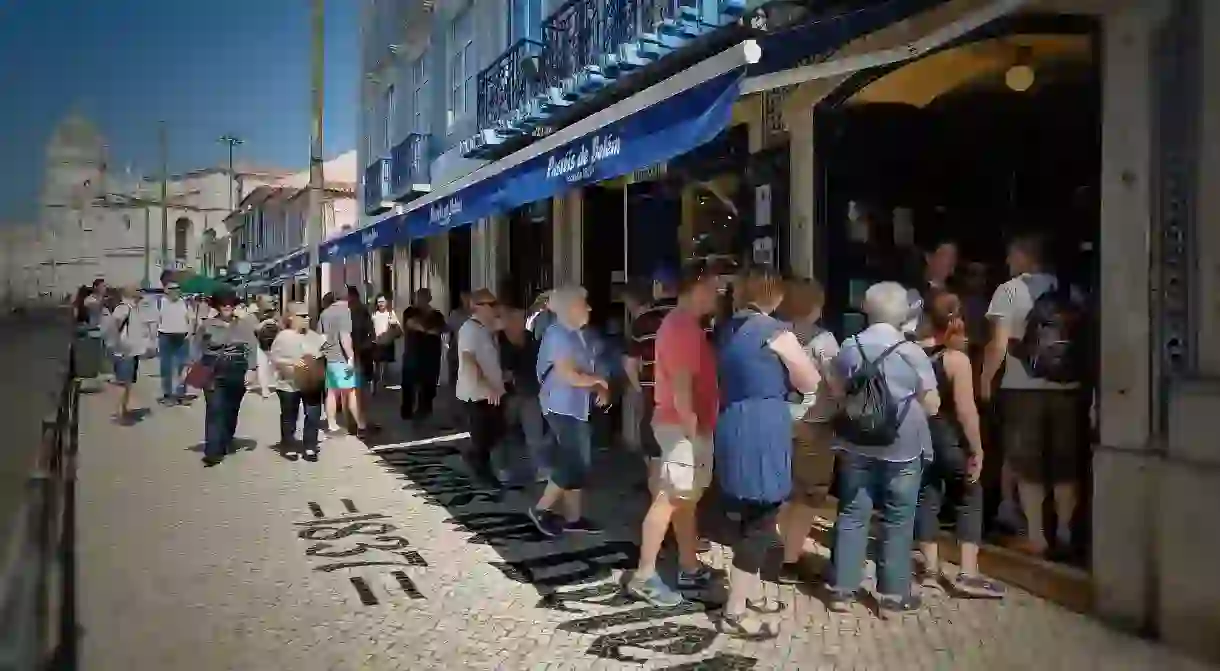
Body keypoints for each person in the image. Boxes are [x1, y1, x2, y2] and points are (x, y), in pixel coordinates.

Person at [711, 268, 820, 639]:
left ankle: (751, 592)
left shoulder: (725, 330)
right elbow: (810, 380)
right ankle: (735, 610)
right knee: (761, 518)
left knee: (747, 512)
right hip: (763, 424)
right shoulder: (775, 332)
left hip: (731, 419)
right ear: (774, 296)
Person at [827, 281, 941, 617]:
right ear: (903, 314)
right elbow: (932, 404)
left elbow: (836, 390)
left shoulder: (850, 346)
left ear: (867, 310)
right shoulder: (911, 352)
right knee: (898, 518)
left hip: (856, 442)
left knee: (852, 512)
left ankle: (842, 591)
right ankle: (893, 596)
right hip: (903, 445)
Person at [980, 234, 1085, 558]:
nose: (1009, 263)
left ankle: (1037, 536)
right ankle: (1066, 533)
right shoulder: (1072, 292)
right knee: (1065, 464)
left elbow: (998, 344)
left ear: (1025, 257)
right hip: (1068, 388)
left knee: (1028, 465)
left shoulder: (1009, 291)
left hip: (1023, 387)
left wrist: (985, 379)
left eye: (1012, 256)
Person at [626, 265, 720, 608]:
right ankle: (644, 575)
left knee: (684, 497)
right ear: (696, 287)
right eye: (712, 287)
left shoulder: (684, 324)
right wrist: (692, 424)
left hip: (679, 424)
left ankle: (688, 565)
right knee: (669, 495)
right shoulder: (681, 326)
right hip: (680, 426)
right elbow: (681, 382)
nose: (717, 294)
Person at [914, 290, 1006, 598]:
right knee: (970, 494)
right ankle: (967, 571)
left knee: (927, 495)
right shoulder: (956, 359)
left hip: (919, 436)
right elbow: (966, 410)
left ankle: (929, 568)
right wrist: (978, 449)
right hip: (949, 437)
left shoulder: (913, 352)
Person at [528, 286, 611, 537]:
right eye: (583, 303)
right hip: (561, 405)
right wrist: (599, 382)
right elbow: (569, 374)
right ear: (568, 308)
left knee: (577, 462)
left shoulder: (576, 333)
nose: (589, 308)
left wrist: (598, 385)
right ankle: (541, 509)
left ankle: (573, 519)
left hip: (576, 406)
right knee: (575, 462)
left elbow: (587, 368)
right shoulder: (558, 335)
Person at [775, 278, 842, 585]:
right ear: (815, 307)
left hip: (779, 421)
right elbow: (836, 383)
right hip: (814, 425)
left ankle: (779, 546)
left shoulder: (776, 333)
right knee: (807, 495)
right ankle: (790, 560)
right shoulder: (824, 341)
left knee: (784, 492)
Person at [194, 289, 259, 466]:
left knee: (231, 409)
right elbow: (196, 346)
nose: (227, 307)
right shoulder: (207, 325)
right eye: (223, 304)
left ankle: (226, 438)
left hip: (236, 369)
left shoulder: (244, 325)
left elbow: (252, 348)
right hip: (212, 371)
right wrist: (190, 366)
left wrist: (252, 370)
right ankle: (213, 451)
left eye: (230, 304)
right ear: (217, 306)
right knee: (214, 409)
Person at [455, 288, 506, 488]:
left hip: (492, 392)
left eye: (496, 303)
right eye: (491, 304)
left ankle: (472, 456)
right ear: (477, 307)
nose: (496, 308)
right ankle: (484, 475)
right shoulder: (469, 330)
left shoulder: (485, 328)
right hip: (477, 395)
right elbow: (468, 360)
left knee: (497, 431)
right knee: (484, 438)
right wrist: (486, 387)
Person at [497, 306, 550, 484]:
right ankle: (503, 468)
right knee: (503, 434)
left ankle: (540, 468)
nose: (517, 324)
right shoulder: (499, 341)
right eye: (514, 320)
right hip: (506, 395)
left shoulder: (531, 341)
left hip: (529, 393)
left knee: (534, 434)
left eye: (520, 320)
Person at [269, 303, 327, 461]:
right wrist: (291, 362)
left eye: (308, 315)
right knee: (289, 416)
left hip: (311, 382)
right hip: (289, 383)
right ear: (291, 317)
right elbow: (274, 358)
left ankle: (310, 446)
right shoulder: (282, 337)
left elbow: (324, 352)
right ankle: (288, 446)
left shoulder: (313, 336)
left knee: (313, 414)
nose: (307, 318)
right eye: (303, 316)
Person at [318, 288, 371, 438]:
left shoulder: (325, 313)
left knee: (332, 393)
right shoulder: (344, 312)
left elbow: (321, 338)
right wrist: (351, 357)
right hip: (342, 359)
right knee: (352, 392)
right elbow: (344, 336)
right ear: (347, 298)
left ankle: (332, 424)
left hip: (331, 358)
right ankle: (361, 425)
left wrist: (327, 354)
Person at [104, 287, 151, 424]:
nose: (141, 293)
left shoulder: (134, 308)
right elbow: (114, 327)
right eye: (138, 291)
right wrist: (117, 346)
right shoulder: (123, 309)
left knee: (127, 383)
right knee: (123, 383)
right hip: (125, 352)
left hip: (132, 352)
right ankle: (120, 413)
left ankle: (122, 410)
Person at [400, 288, 445, 423]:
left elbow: (438, 330)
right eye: (418, 297)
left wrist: (424, 329)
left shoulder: (437, 315)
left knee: (429, 385)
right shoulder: (410, 312)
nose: (420, 300)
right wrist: (427, 330)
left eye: (424, 297)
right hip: (412, 355)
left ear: (429, 298)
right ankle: (407, 412)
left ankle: (424, 410)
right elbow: (412, 324)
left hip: (431, 356)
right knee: (408, 385)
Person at [156, 281, 194, 405]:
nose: (176, 291)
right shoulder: (160, 303)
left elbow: (192, 319)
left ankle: (181, 394)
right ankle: (167, 395)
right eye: (173, 289)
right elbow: (154, 321)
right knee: (166, 367)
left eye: (178, 288)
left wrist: (190, 332)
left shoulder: (185, 303)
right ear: (166, 290)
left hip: (182, 337)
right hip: (165, 336)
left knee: (182, 367)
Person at [371, 294, 401, 391]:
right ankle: (376, 381)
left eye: (382, 302)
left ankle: (381, 381)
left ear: (386, 302)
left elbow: (397, 327)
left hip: (387, 342)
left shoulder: (390, 313)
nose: (381, 304)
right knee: (375, 363)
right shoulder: (373, 314)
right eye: (379, 302)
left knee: (384, 363)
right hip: (375, 342)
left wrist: (393, 328)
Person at [446, 290, 473, 386]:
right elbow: (447, 329)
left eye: (469, 297)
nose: (466, 300)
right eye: (464, 298)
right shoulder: (456, 314)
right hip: (457, 353)